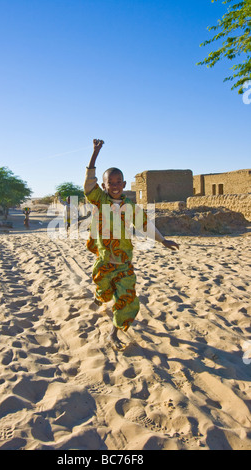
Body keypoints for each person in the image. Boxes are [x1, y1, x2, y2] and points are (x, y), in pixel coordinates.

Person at [84, 139, 179, 350]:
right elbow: (89, 183)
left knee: (126, 299)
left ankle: (113, 333)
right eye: (111, 182)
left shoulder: (130, 207)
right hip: (104, 261)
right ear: (104, 186)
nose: (115, 186)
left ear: (124, 185)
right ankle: (101, 298)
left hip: (125, 262)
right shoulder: (99, 200)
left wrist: (163, 240)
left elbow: (145, 225)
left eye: (119, 182)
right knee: (103, 291)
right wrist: (94, 154)